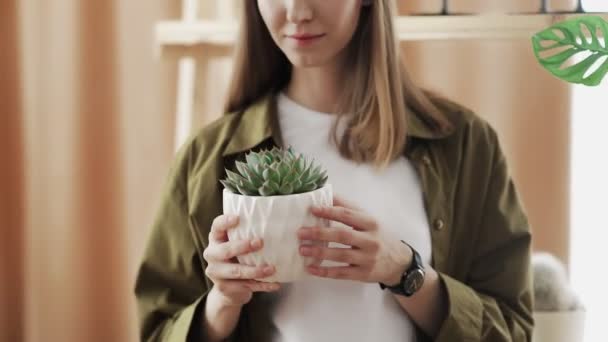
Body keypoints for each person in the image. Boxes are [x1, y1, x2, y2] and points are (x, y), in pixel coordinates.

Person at [134, 1, 534, 341]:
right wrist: (221, 304)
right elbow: (156, 331)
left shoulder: (466, 146)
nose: (296, 12)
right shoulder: (204, 160)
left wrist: (405, 271)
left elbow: (514, 329)